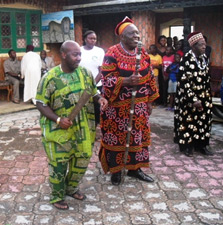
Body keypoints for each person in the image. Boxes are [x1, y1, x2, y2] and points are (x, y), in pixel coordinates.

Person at [35, 40, 108, 210]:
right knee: (59, 164)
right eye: (75, 54)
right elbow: (40, 103)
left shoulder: (85, 73)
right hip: (58, 130)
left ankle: (71, 188)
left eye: (80, 54)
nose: (79, 58)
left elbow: (93, 91)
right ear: (63, 55)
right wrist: (58, 120)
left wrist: (100, 99)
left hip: (82, 129)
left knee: (82, 160)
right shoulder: (50, 78)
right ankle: (56, 195)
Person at [99, 17, 159, 185]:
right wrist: (125, 81)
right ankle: (116, 170)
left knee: (137, 137)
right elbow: (106, 79)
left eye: (138, 33)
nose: (137, 36)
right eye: (132, 33)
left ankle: (135, 169)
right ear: (122, 37)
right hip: (117, 108)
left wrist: (149, 101)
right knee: (117, 138)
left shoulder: (143, 53)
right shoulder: (112, 53)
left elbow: (150, 77)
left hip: (139, 106)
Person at [174, 31, 213, 157]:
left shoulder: (204, 58)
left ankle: (201, 145)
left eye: (205, 44)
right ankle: (188, 146)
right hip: (188, 98)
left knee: (203, 121)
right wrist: (193, 99)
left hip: (204, 96)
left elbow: (207, 78)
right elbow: (183, 81)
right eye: (201, 44)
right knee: (188, 122)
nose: (204, 47)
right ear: (193, 46)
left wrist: (207, 97)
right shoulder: (186, 59)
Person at [79, 30, 105, 125]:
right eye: (91, 38)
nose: (93, 40)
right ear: (85, 39)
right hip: (81, 84)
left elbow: (101, 70)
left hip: (96, 84)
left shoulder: (99, 51)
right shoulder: (79, 50)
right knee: (83, 106)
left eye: (95, 39)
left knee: (96, 107)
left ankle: (95, 126)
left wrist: (92, 83)